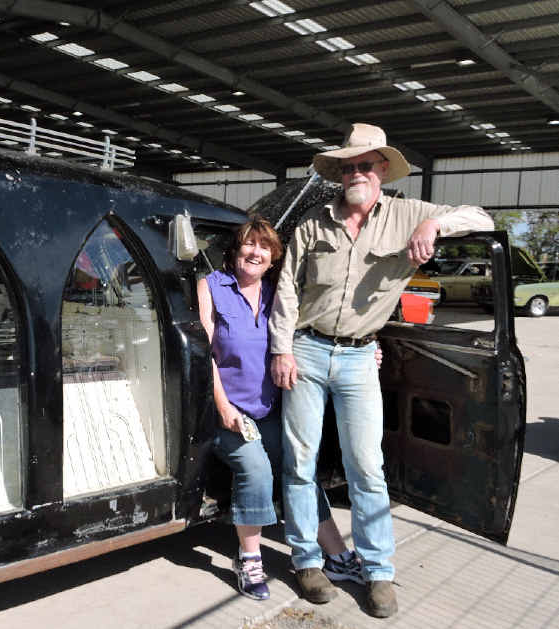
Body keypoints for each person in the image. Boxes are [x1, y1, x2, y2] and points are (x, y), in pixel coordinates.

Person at [269, 123, 494, 617]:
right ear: (340, 174)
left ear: (382, 171)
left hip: (357, 358)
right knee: (299, 463)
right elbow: (286, 289)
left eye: (364, 165)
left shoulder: (410, 213)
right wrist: (281, 350)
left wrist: (433, 226)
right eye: (348, 167)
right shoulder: (312, 223)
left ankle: (378, 572)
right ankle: (307, 561)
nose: (356, 173)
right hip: (305, 350)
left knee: (366, 468)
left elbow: (480, 215)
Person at [197, 218, 362, 601]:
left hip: (270, 409)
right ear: (235, 250)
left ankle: (336, 553)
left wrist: (365, 351)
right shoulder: (213, 287)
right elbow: (206, 353)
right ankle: (250, 559)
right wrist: (223, 405)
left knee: (298, 466)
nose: (255, 252)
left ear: (273, 259)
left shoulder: (278, 293)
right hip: (229, 411)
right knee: (255, 468)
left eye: (264, 247)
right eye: (248, 245)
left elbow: (317, 332)